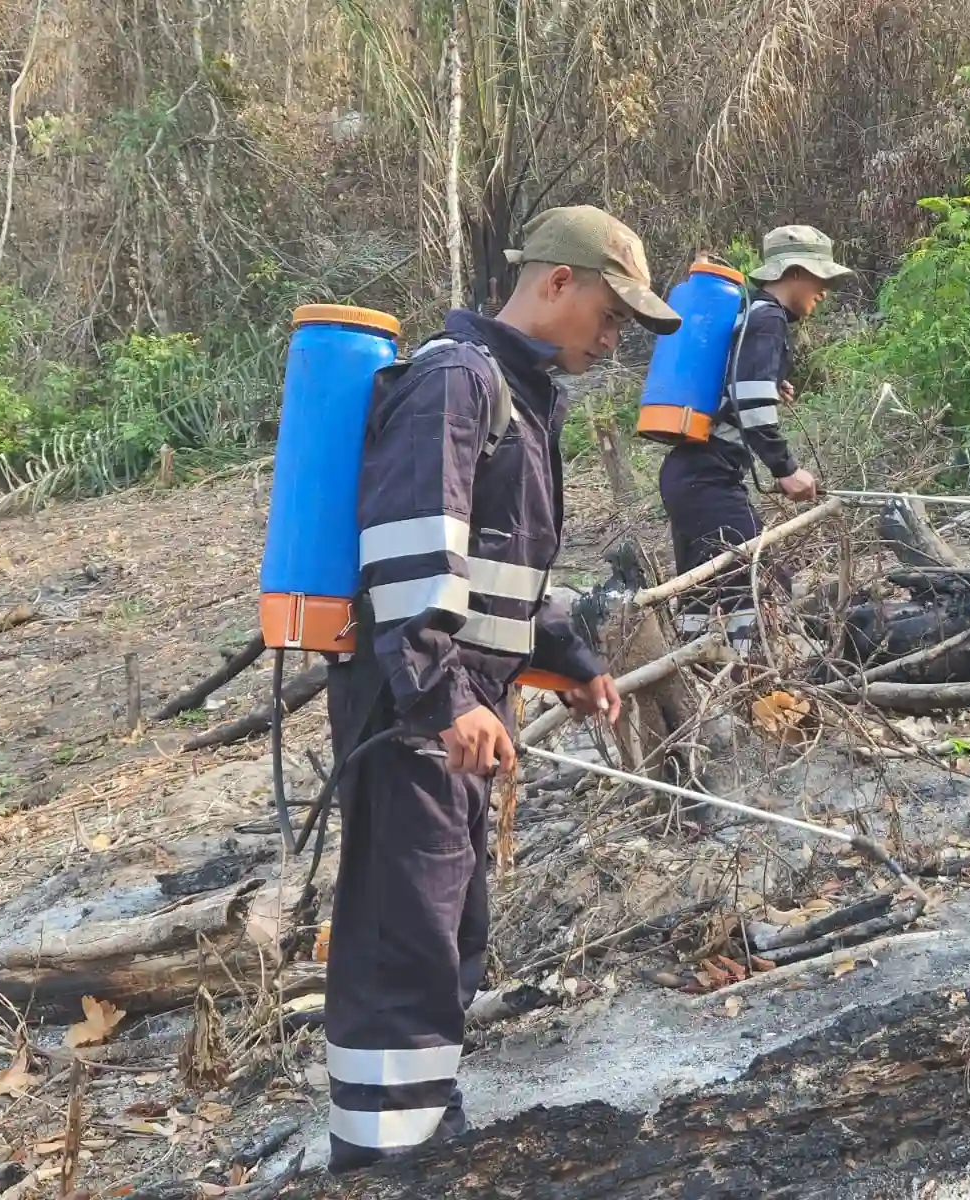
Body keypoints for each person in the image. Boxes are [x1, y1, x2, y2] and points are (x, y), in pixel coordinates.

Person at [323, 205, 681, 1174]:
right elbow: (410, 558)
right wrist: (447, 701)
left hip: (455, 707)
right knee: (406, 939)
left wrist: (570, 658)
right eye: (612, 314)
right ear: (558, 282)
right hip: (411, 712)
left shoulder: (520, 396)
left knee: (448, 930)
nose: (613, 339)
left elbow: (504, 574)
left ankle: (421, 1133)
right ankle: (380, 1164)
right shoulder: (457, 383)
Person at [658, 225, 851, 652]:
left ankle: (691, 673)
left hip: (690, 476)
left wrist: (771, 385)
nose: (824, 291)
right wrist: (786, 469)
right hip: (707, 477)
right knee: (759, 579)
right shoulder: (768, 319)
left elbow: (737, 389)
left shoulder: (751, 316)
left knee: (701, 589)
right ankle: (754, 676)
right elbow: (750, 403)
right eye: (819, 278)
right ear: (794, 272)